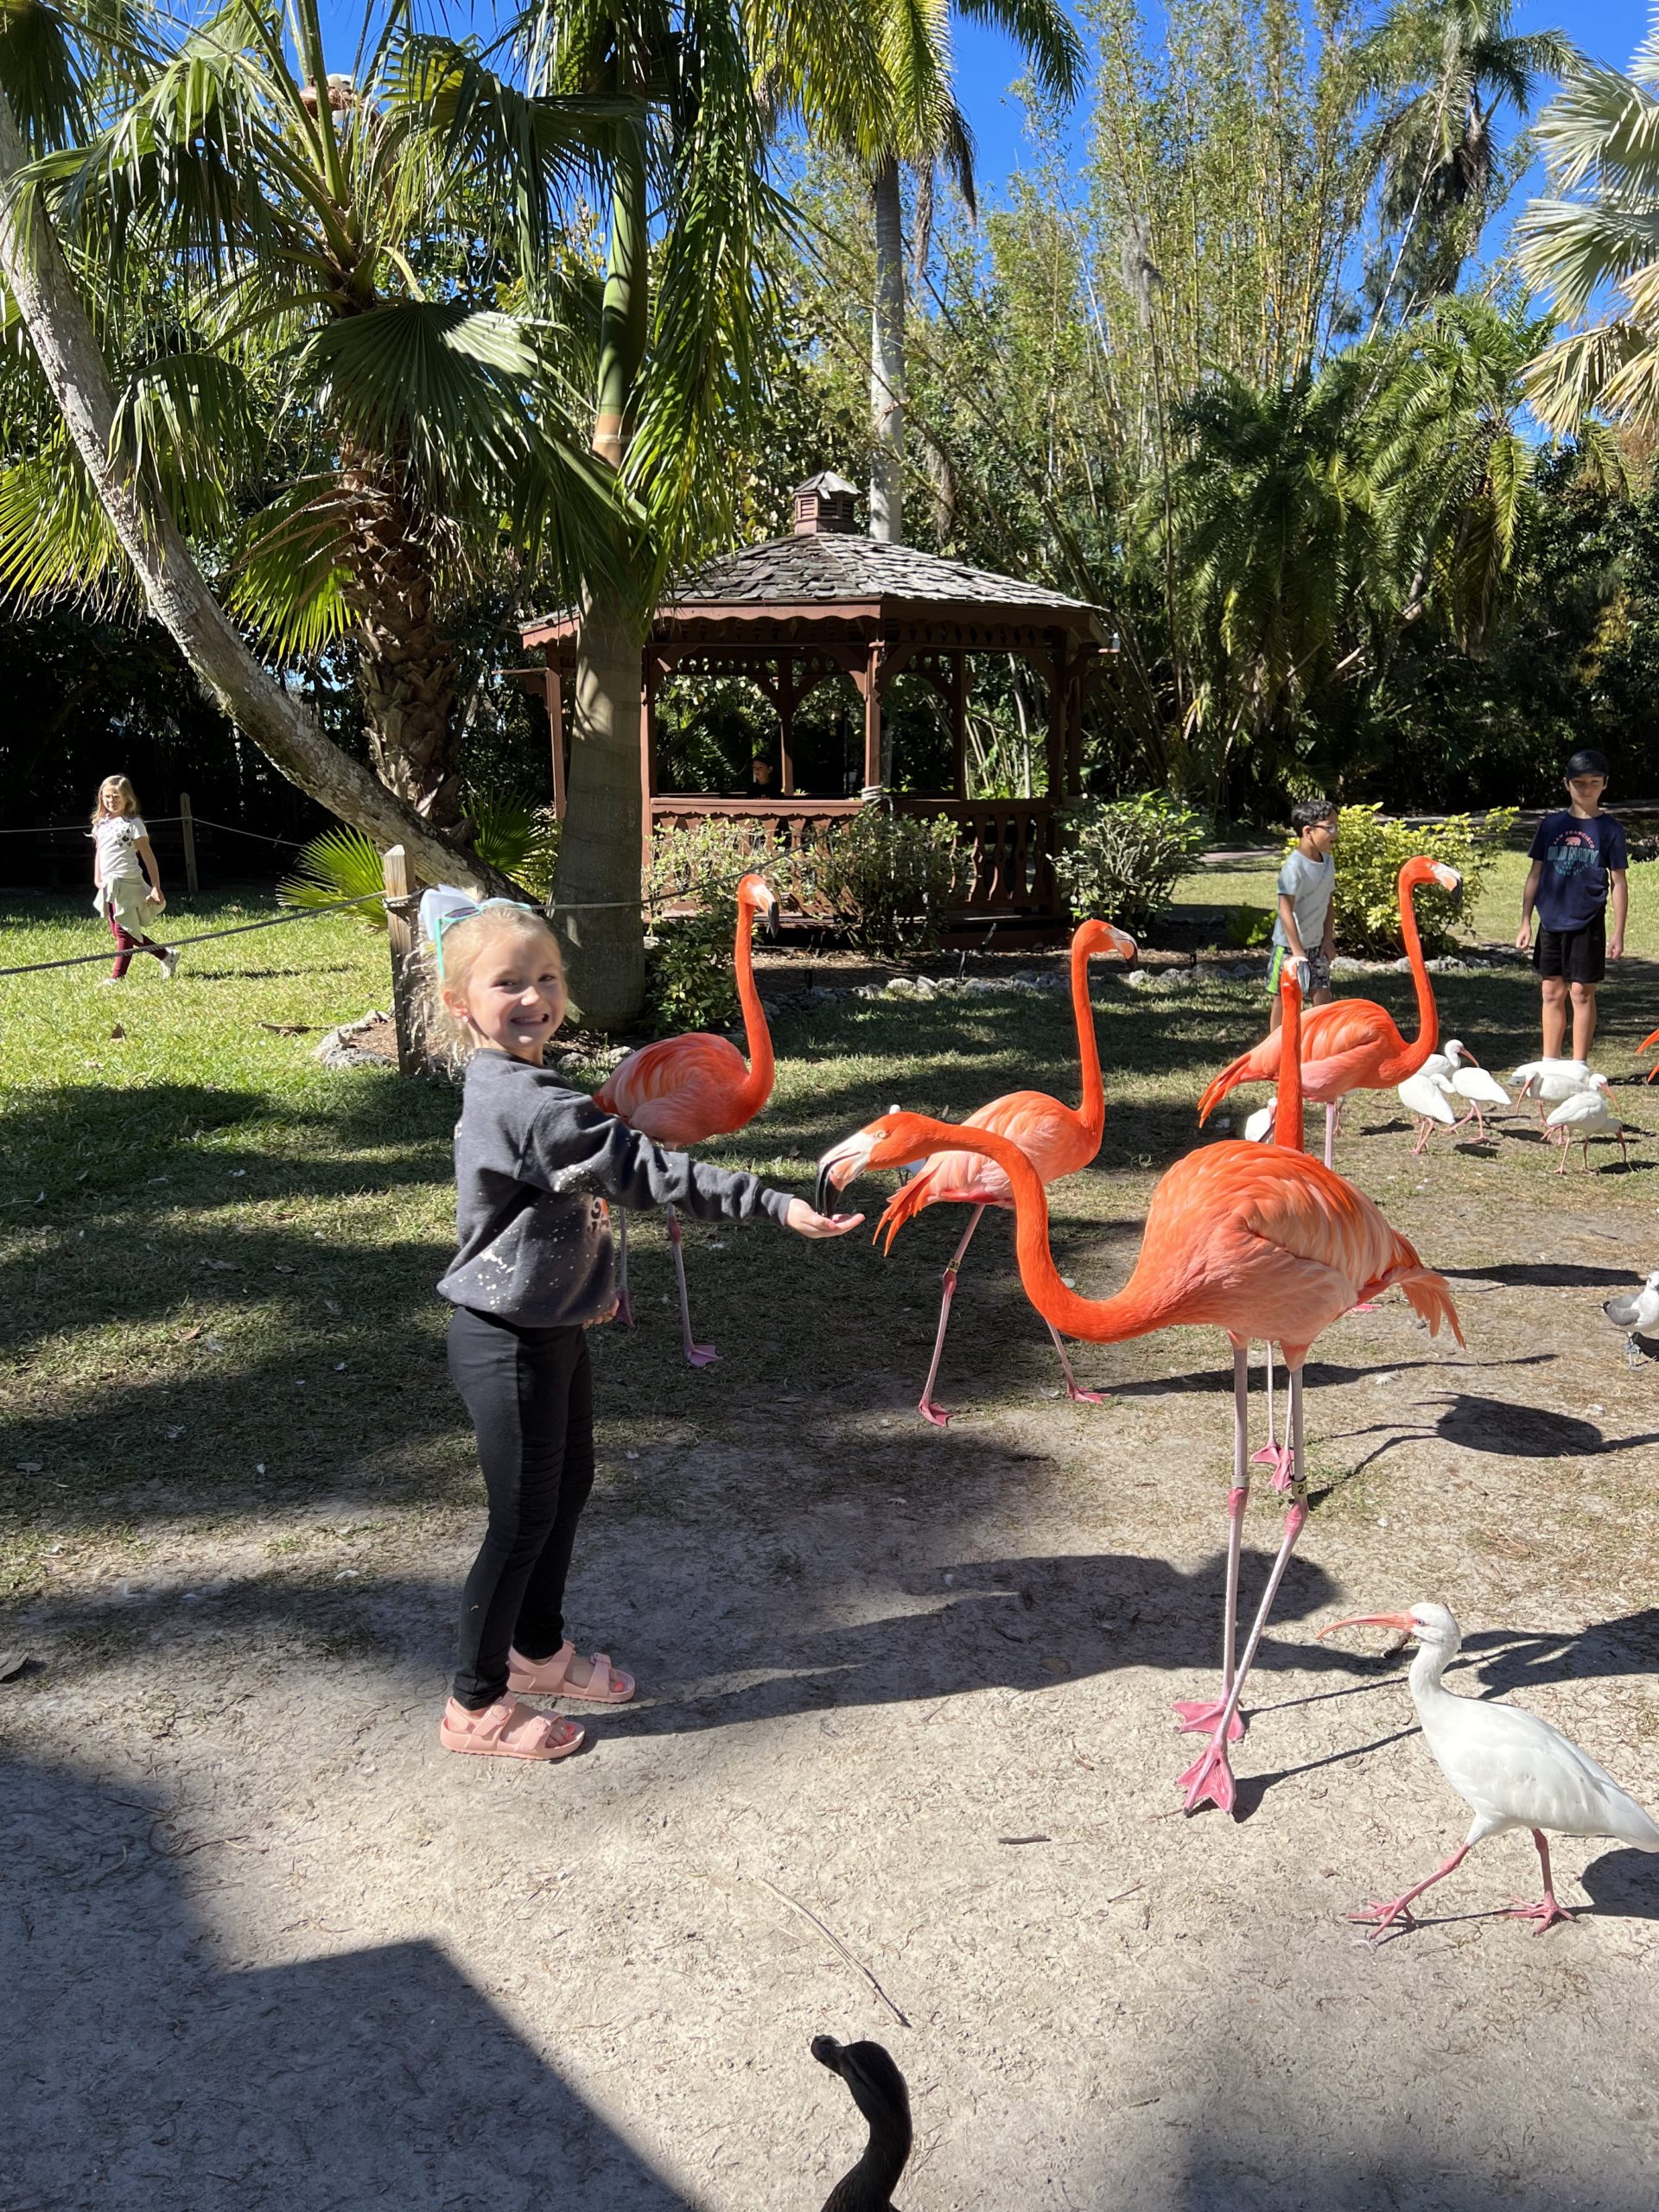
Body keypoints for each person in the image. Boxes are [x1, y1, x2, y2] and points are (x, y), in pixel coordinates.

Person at [423, 893, 861, 1763]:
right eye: (507, 982)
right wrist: (771, 1204)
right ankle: (474, 1703)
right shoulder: (532, 1103)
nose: (533, 997)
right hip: (508, 1339)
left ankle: (536, 1650)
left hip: (549, 1326)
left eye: (546, 977)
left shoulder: (522, 1083)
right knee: (519, 1521)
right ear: (459, 1001)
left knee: (565, 1491)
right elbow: (646, 1171)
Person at [1516, 748, 1628, 1064]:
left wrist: (1618, 933)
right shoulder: (1550, 826)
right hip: (1550, 920)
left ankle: (1578, 1066)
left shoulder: (1610, 831)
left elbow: (1619, 883)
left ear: (1605, 784)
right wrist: (1526, 920)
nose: (1586, 788)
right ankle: (1550, 1064)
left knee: (1581, 993)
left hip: (1588, 921)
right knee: (1551, 992)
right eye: (1579, 782)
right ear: (1567, 784)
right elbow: (1535, 874)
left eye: (1594, 781)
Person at [90, 775, 179, 983]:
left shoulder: (133, 824)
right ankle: (166, 955)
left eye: (116, 796)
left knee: (123, 931)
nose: (111, 801)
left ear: (127, 798)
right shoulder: (101, 824)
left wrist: (156, 886)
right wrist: (98, 878)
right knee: (121, 931)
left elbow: (147, 855)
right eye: (107, 797)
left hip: (128, 883)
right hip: (109, 886)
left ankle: (117, 977)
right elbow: (100, 853)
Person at [1268, 798, 1338, 1030]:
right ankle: (1274, 1050)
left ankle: (1316, 1047)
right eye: (1329, 828)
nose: (1335, 833)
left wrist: (1328, 939)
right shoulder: (1294, 866)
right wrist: (1296, 951)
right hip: (1288, 948)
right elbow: (1285, 908)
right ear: (1308, 831)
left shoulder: (1328, 863)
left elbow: (1328, 902)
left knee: (1322, 997)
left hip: (1317, 946)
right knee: (1285, 998)